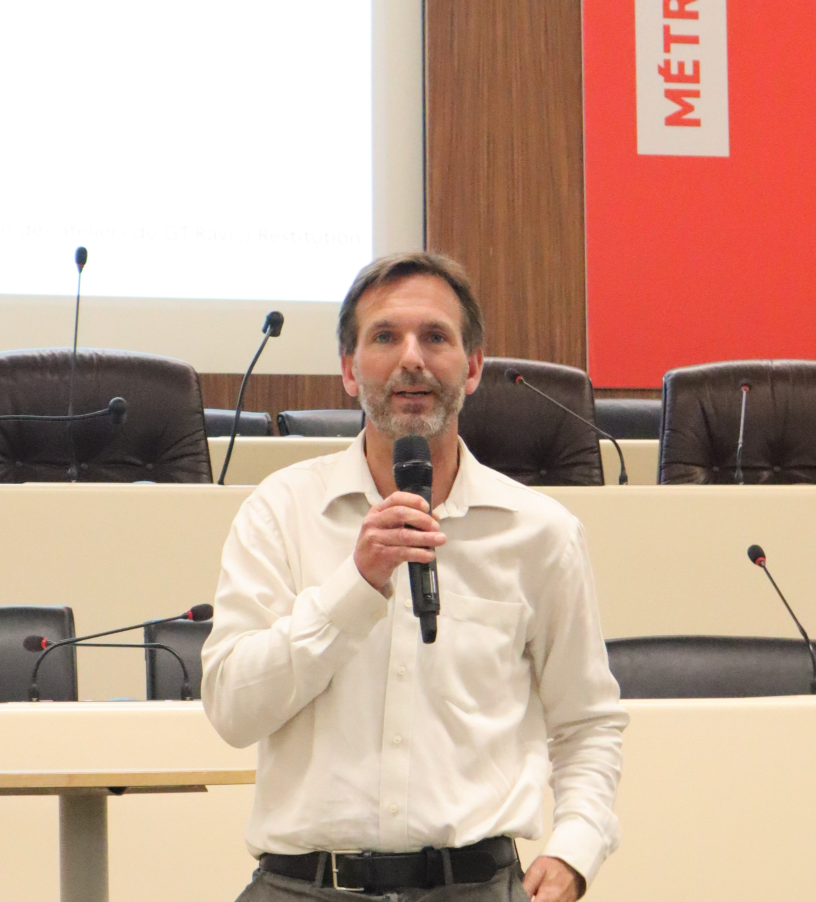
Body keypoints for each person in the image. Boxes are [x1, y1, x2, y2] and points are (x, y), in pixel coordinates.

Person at [202, 252, 627, 901]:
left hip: (478, 886)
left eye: (435, 337)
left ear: (474, 365)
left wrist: (576, 849)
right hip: (303, 887)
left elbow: (588, 722)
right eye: (384, 337)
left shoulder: (539, 532)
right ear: (348, 370)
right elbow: (232, 708)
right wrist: (356, 585)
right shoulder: (280, 511)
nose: (411, 359)